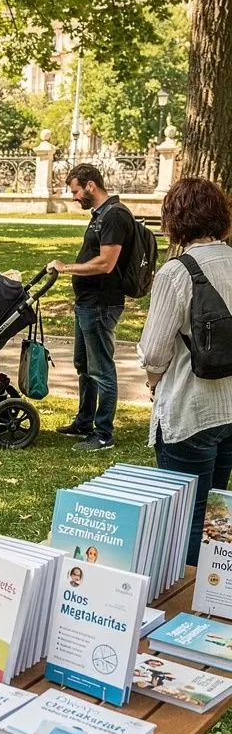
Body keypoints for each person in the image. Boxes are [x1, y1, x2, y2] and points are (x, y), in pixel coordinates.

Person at [138, 177, 232, 566]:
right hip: (229, 408)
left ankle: (186, 600)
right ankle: (211, 594)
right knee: (215, 510)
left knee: (185, 520)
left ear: (174, 219)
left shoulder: (176, 272)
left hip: (190, 410)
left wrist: (152, 382)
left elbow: (155, 352)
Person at [47, 163, 135, 452]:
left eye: (75, 191)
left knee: (101, 369)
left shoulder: (115, 216)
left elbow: (106, 263)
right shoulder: (101, 215)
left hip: (101, 305)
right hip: (87, 303)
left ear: (90, 185)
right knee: (84, 366)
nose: (73, 197)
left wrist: (66, 267)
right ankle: (84, 421)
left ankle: (104, 433)